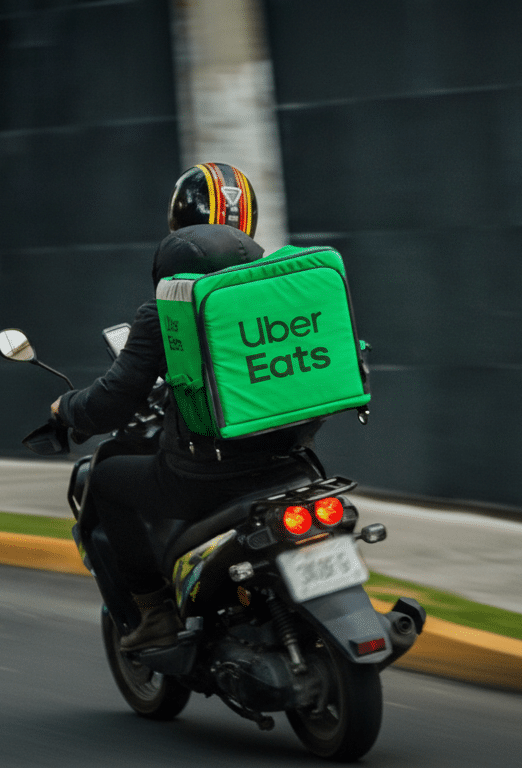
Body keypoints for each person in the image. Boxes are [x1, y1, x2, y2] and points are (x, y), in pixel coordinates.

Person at [49, 163, 321, 651]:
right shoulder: (282, 298)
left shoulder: (167, 311)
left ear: (177, 225)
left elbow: (112, 403)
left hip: (204, 478)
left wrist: (66, 408)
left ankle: (154, 613)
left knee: (108, 483)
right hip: (290, 462)